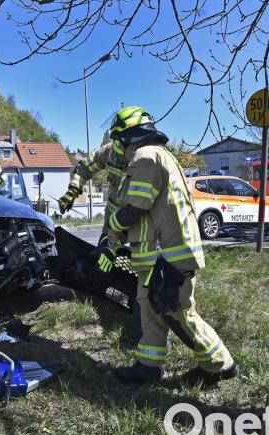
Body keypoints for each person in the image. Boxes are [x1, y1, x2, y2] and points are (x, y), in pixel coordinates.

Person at [99, 106, 239, 385]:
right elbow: (146, 214)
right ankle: (147, 367)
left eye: (118, 140)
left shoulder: (145, 156)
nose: (118, 148)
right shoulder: (156, 156)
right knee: (151, 310)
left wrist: (111, 230)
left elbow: (136, 207)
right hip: (158, 256)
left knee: (177, 312)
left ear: (127, 137)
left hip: (168, 256)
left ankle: (220, 364)